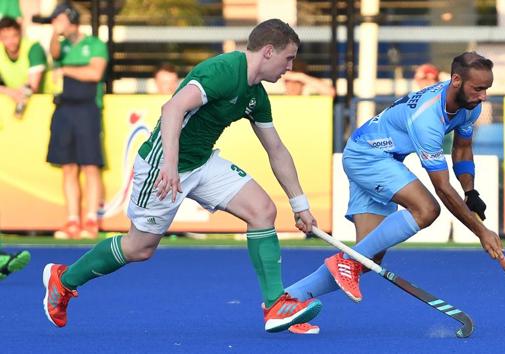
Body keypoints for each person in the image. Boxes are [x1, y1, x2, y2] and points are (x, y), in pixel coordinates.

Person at [42, 18, 322, 334]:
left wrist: (300, 204)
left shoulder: (256, 95)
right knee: (139, 248)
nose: (290, 67)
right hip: (164, 163)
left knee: (263, 210)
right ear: (269, 52)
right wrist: (170, 165)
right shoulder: (223, 71)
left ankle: (275, 304)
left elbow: (277, 150)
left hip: (202, 162)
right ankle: (63, 281)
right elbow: (172, 109)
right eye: (289, 58)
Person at [285, 52, 505, 317]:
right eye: (478, 89)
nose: (484, 96)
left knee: (368, 259)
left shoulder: (470, 106)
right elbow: (443, 189)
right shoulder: (428, 119)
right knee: (426, 210)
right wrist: (481, 231)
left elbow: (462, 148)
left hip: (374, 155)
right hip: (368, 157)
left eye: (487, 89)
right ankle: (345, 261)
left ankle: (287, 300)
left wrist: (470, 191)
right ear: (456, 80)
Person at [43, 3, 108, 240]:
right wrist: (54, 32)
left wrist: (66, 70)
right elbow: (55, 55)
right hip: (64, 109)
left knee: (90, 165)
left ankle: (91, 219)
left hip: (87, 110)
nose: (57, 24)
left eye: (60, 20)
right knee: (68, 166)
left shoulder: (94, 45)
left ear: (71, 19)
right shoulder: (61, 44)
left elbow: (94, 73)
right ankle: (72, 220)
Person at [0, 16, 48, 117]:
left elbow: (32, 86)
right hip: (17, 103)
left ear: (20, 33)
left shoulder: (33, 48)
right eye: (5, 37)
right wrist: (11, 92)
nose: (11, 41)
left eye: (14, 36)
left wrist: (13, 94)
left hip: (45, 102)